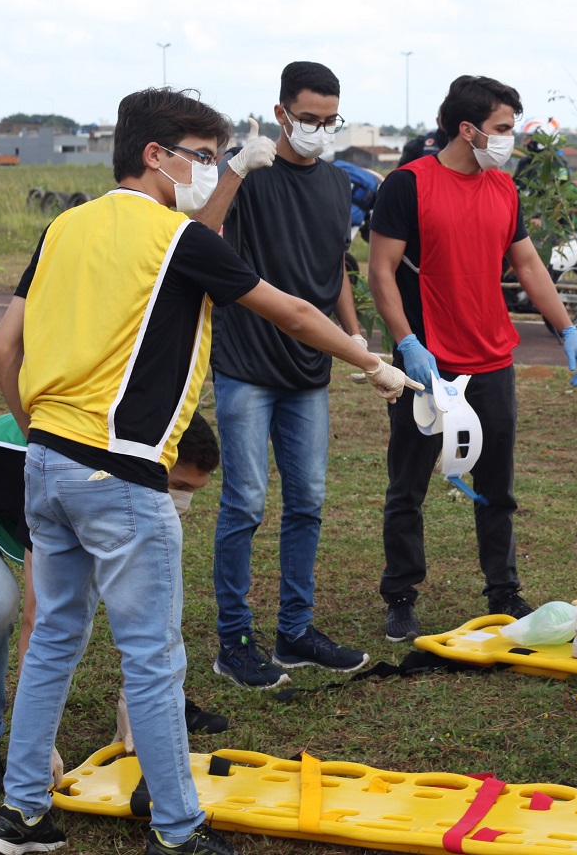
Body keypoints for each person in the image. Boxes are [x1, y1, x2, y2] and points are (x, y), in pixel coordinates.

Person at [0, 87, 410, 855]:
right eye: (204, 157)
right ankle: (178, 831)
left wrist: (42, 436)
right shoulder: (175, 238)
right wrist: (373, 363)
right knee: (153, 656)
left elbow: (1, 351)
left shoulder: (62, 228)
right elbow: (294, 313)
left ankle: (22, 815)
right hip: (120, 475)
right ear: (157, 155)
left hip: (46, 463)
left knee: (54, 643)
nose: (211, 172)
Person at [367, 75, 577, 642]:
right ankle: (400, 594)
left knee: (497, 486)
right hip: (427, 364)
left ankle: (504, 591)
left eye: (510, 129)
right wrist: (407, 343)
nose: (508, 140)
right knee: (408, 485)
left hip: (492, 360)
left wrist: (566, 329)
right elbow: (381, 272)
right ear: (467, 130)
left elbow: (530, 266)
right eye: (500, 129)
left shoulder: (504, 190)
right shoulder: (407, 186)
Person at [0, 414, 228, 802]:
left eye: (193, 490)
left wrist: (136, 703)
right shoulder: (67, 472)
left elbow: (145, 598)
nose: (182, 501)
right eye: (176, 485)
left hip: (23, 498)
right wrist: (38, 746)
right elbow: (38, 618)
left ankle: (156, 710)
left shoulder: (129, 466)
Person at [209, 62, 372, 691]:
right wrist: (235, 168)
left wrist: (354, 339)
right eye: (307, 119)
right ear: (281, 114)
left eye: (328, 120)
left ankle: (296, 631)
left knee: (307, 502)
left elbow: (333, 274)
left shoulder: (336, 186)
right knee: (245, 504)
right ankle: (235, 641)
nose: (318, 130)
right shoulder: (249, 174)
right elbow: (201, 234)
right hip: (247, 366)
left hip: (310, 371)